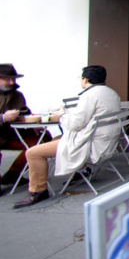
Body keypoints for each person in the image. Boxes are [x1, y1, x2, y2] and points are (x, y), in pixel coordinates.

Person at [14, 65, 122, 209]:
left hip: (90, 145)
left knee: (33, 153)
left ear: (85, 79)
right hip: (104, 141)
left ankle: (38, 190)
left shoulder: (89, 95)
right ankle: (80, 170)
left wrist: (61, 116)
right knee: (56, 139)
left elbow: (75, 124)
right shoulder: (111, 93)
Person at [0, 64, 50, 191]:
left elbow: (25, 112)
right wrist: (3, 118)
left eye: (13, 79)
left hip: (11, 135)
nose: (12, 83)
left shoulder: (17, 95)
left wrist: (32, 123)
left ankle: (13, 174)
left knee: (42, 139)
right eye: (7, 79)